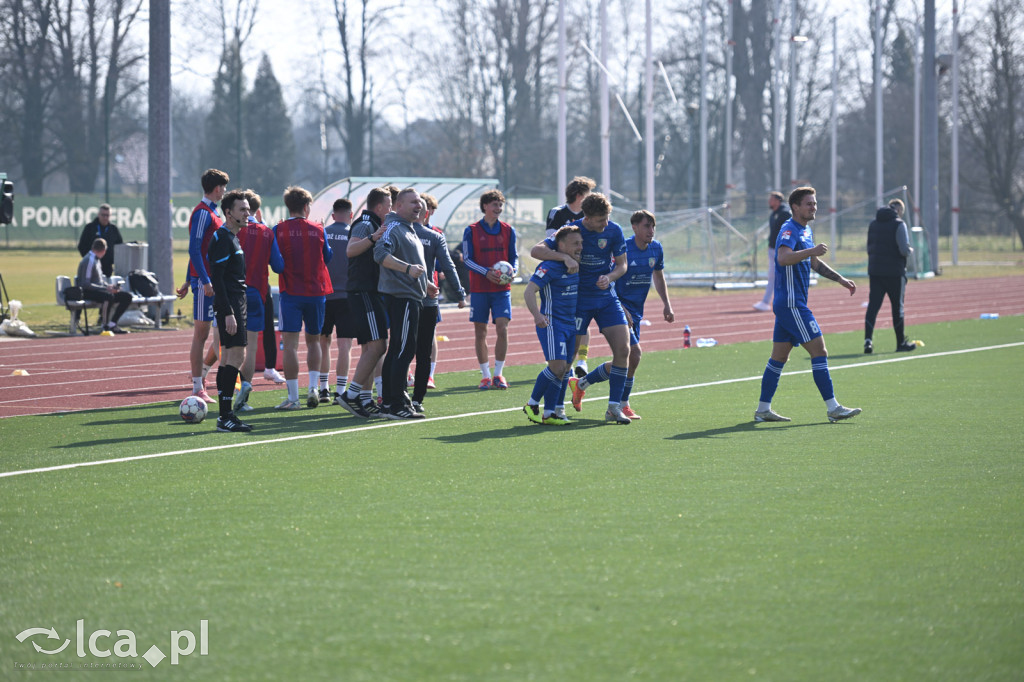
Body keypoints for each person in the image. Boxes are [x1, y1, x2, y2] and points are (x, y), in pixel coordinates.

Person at [754, 186, 862, 424]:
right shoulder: (789, 229)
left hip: (790, 303)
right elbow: (782, 258)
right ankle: (833, 407)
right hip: (792, 304)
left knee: (778, 358)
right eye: (809, 204)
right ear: (795, 207)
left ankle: (762, 409)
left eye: (815, 203)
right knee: (820, 351)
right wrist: (811, 250)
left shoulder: (806, 230)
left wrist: (840, 279)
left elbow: (814, 263)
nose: (814, 207)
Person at [530, 192, 633, 425]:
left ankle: (613, 408)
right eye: (600, 220)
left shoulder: (614, 230)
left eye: (607, 218)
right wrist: (563, 258)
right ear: (586, 218)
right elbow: (536, 251)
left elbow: (622, 265)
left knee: (624, 350)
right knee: (566, 360)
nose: (605, 224)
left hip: (606, 298)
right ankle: (555, 408)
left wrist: (610, 276)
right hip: (578, 302)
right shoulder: (572, 231)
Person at [597, 209, 676, 420]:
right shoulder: (624, 249)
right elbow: (608, 280)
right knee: (635, 354)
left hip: (637, 313)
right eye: (646, 226)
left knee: (626, 360)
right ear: (634, 227)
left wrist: (666, 305)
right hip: (616, 309)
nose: (651, 231)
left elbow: (658, 277)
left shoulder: (656, 249)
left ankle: (583, 383)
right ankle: (621, 405)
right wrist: (620, 308)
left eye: (653, 226)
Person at [272, 186, 333, 410]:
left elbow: (277, 265)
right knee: (314, 341)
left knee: (290, 345)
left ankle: (293, 397)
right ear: (307, 207)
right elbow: (327, 257)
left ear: (288, 206)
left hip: (291, 293)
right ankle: (314, 389)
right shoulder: (318, 228)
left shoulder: (278, 229)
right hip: (316, 292)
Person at [374, 188, 430, 420]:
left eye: (420, 202)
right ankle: (396, 403)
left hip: (411, 297)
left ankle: (390, 401)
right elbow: (379, 253)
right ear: (398, 206)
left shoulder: (408, 228)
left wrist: (426, 283)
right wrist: (407, 269)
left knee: (399, 349)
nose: (419, 206)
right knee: (403, 350)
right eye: (413, 202)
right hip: (402, 298)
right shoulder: (395, 227)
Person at [338, 187, 392, 418]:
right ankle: (351, 395)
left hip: (369, 292)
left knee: (372, 348)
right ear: (379, 207)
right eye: (389, 205)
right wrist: (372, 238)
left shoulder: (374, 224)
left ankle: (364, 398)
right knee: (378, 346)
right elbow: (350, 250)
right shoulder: (365, 224)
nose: (391, 210)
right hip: (363, 292)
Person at [177, 168, 229, 404]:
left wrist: (188, 279)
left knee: (218, 334)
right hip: (206, 283)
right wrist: (202, 281)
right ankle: (197, 387)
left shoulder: (212, 213)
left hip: (211, 281)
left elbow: (202, 250)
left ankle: (206, 381)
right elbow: (194, 249)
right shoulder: (202, 213)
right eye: (224, 188)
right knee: (201, 334)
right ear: (217, 188)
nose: (225, 191)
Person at [410, 195, 466, 413]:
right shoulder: (432, 235)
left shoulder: (396, 231)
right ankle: (417, 399)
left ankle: (393, 395)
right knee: (423, 349)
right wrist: (460, 293)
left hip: (404, 298)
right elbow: (449, 267)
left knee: (400, 346)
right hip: (427, 299)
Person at [523, 224, 583, 425]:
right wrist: (537, 315)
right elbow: (529, 291)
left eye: (581, 243)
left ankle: (550, 412)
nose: (580, 247)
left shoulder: (577, 264)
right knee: (557, 368)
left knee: (565, 369)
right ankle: (532, 404)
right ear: (562, 245)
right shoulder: (549, 266)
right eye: (575, 243)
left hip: (570, 324)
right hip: (551, 323)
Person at [232, 190, 284, 413]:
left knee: (228, 346)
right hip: (256, 293)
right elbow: (279, 266)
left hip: (231, 293)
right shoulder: (266, 232)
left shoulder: (232, 230)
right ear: (257, 210)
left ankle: (224, 392)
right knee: (250, 348)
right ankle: (244, 392)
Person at [463, 189, 518, 390]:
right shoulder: (472, 230)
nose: (498, 208)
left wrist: (514, 271)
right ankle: (485, 375)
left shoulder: (508, 230)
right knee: (481, 331)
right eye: (495, 204)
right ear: (485, 206)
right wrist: (486, 272)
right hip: (479, 289)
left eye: (500, 205)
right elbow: (467, 259)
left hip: (502, 289)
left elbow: (514, 257)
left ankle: (498, 374)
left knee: (502, 328)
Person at [207, 190, 253, 432]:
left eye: (248, 209)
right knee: (235, 357)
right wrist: (228, 312)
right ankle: (225, 416)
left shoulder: (233, 237)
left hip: (237, 302)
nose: (248, 213)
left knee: (230, 359)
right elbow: (218, 279)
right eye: (242, 209)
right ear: (228, 213)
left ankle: (225, 416)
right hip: (231, 304)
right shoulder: (223, 238)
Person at [547, 176, 596, 377]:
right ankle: (562, 360)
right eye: (589, 194)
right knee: (562, 319)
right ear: (579, 195)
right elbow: (549, 241)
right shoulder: (557, 213)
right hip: (560, 275)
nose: (591, 197)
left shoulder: (590, 215)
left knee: (582, 319)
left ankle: (582, 361)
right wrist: (565, 259)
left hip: (583, 275)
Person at [865, 198, 917, 354]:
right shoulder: (899, 224)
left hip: (875, 272)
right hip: (894, 272)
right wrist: (910, 251)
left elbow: (870, 247)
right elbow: (903, 249)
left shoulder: (873, 224)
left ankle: (868, 341)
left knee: (873, 306)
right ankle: (900, 342)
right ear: (899, 211)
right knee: (897, 308)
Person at [320, 198, 358, 404]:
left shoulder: (323, 232)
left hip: (324, 296)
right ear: (351, 215)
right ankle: (340, 391)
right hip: (347, 295)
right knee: (345, 345)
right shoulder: (355, 234)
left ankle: (323, 388)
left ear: (333, 215)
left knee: (322, 343)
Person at [75, 238, 133, 334]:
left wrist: (110, 286)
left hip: (97, 290)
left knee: (126, 297)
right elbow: (85, 284)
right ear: (104, 250)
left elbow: (99, 281)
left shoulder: (96, 260)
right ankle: (104, 325)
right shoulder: (89, 260)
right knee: (108, 297)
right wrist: (106, 288)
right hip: (86, 291)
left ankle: (112, 324)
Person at [753, 191, 791, 312]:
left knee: (781, 276)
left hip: (781, 250)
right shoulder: (774, 213)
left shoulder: (785, 213)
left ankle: (776, 301)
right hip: (773, 248)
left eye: (771, 199)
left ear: (778, 200)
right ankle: (768, 301)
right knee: (773, 276)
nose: (769, 201)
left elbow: (788, 231)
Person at [77, 204, 123, 278]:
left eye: (107, 215)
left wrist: (113, 261)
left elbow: (120, 247)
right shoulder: (90, 228)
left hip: (107, 268)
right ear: (98, 215)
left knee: (106, 288)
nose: (105, 217)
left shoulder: (113, 229)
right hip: (92, 266)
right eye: (103, 215)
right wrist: (90, 259)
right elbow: (81, 246)